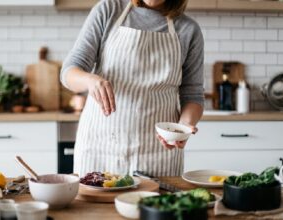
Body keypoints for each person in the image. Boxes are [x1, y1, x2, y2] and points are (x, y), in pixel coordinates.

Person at [60, 0, 204, 177]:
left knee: (154, 204)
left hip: (158, 153)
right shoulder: (109, 10)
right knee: (96, 204)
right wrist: (89, 80)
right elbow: (69, 72)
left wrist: (183, 127)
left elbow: (193, 96)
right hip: (101, 147)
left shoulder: (188, 29)